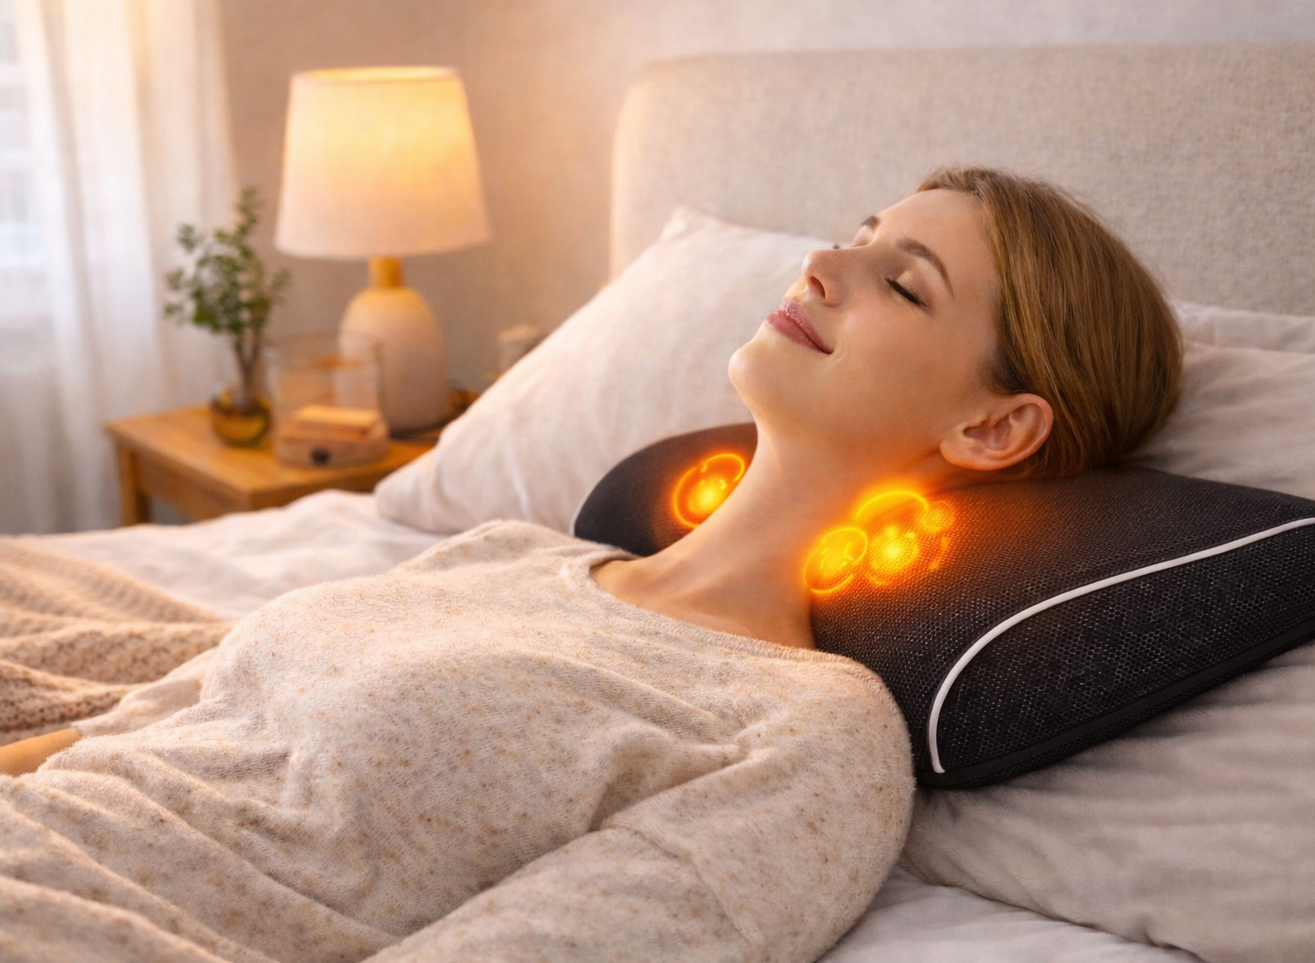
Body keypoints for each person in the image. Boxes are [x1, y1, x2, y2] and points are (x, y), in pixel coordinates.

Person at [0, 165, 1181, 963]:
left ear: (991, 428)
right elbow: (142, 728)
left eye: (900, 282)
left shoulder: (804, 739)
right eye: (856, 238)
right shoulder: (512, 552)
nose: (821, 263)